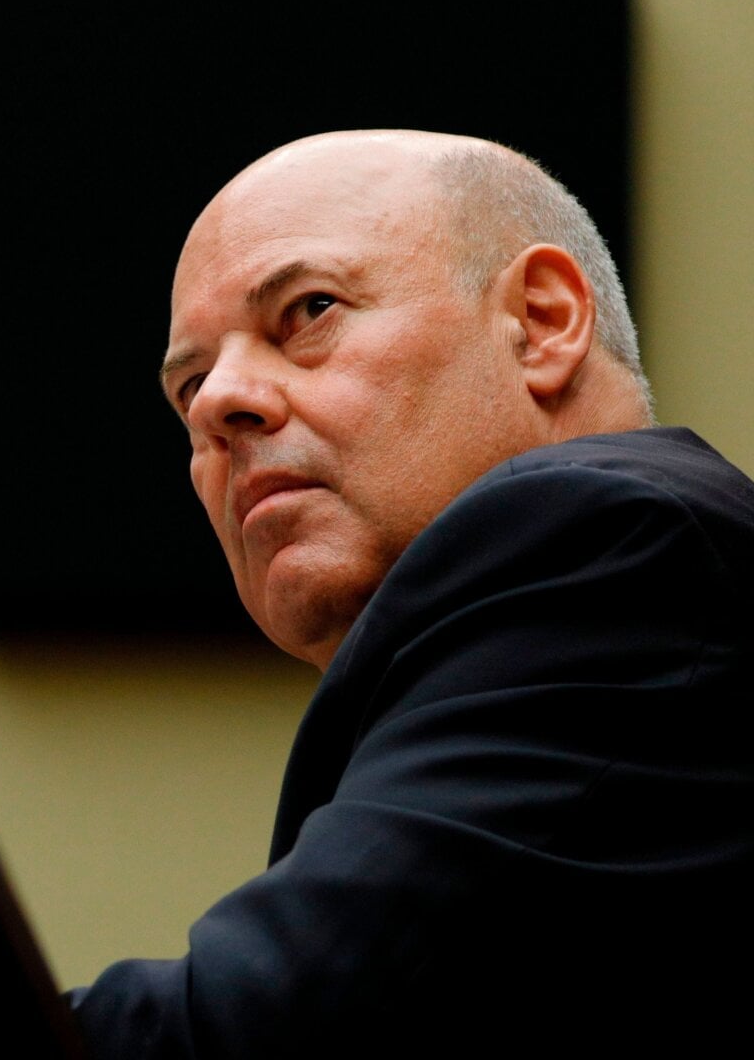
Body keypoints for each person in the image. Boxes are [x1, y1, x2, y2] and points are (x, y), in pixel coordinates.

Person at [69, 131, 754, 1057]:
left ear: (543, 321)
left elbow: (258, 1042)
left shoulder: (613, 542)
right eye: (190, 382)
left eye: (308, 311)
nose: (217, 401)